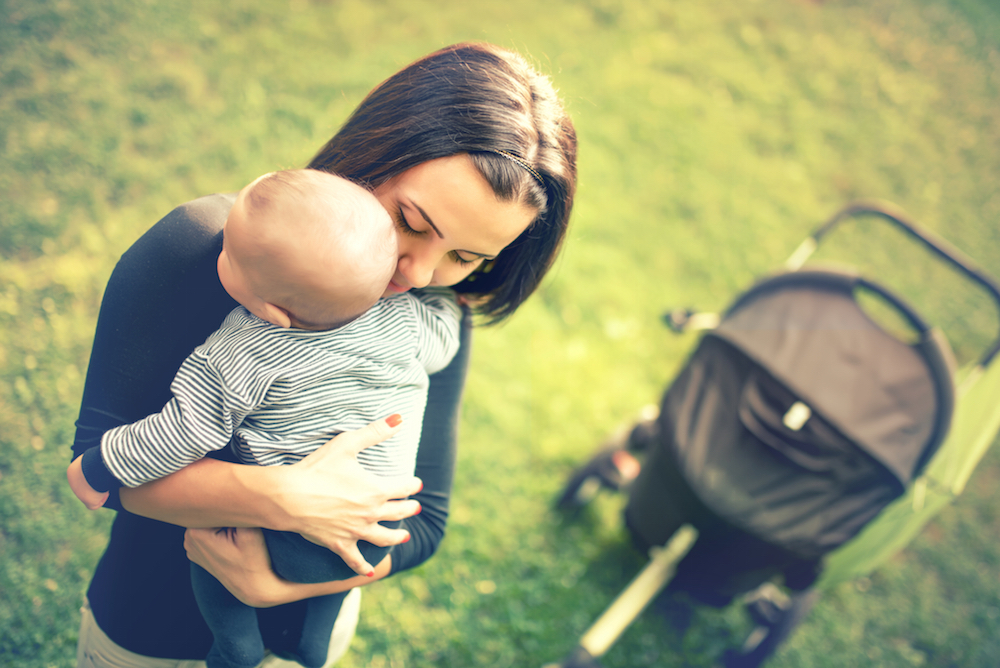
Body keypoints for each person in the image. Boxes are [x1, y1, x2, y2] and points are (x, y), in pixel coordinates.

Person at [72, 41, 577, 668]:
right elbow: (103, 471)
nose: (419, 273)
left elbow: (425, 525)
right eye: (410, 222)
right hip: (148, 632)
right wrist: (282, 497)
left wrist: (283, 586)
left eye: (465, 256)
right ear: (374, 151)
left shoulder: (433, 315)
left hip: (315, 632)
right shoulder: (199, 252)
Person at [67, 168, 462, 668]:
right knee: (329, 569)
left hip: (284, 543)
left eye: (228, 255)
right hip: (374, 523)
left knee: (216, 554)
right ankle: (313, 640)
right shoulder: (406, 321)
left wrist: (100, 466)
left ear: (271, 309)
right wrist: (449, 304)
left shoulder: (247, 348)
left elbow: (183, 430)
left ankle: (236, 645)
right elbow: (445, 340)